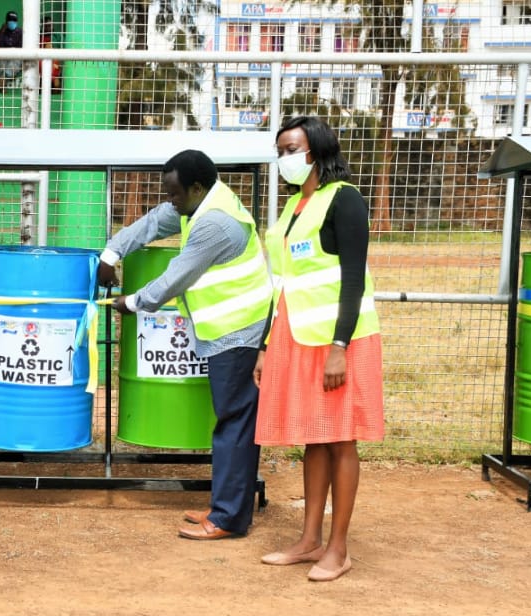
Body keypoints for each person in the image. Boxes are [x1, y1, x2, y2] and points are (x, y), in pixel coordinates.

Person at [97, 150, 272, 540]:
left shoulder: (217, 224)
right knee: (232, 423)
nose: (170, 201)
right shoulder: (201, 202)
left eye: (174, 194)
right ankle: (226, 505)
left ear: (196, 188)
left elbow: (177, 276)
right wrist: (112, 252)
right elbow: (153, 223)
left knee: (235, 425)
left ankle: (228, 518)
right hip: (226, 333)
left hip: (239, 333)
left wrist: (132, 302)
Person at [254, 115, 385, 582]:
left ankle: (339, 547)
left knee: (340, 437)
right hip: (296, 338)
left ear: (318, 150)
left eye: (293, 148)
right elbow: (282, 284)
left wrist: (339, 347)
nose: (285, 158)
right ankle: (309, 539)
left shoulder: (344, 199)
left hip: (338, 339)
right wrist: (267, 346)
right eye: (281, 150)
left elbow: (352, 279)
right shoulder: (293, 208)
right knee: (314, 435)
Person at [0, 10, 22, 92]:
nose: (11, 22)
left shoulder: (21, 32)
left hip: (16, 56)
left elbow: (20, 48)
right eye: (10, 20)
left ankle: (2, 80)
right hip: (4, 55)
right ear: (6, 21)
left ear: (17, 21)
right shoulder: (1, 32)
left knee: (14, 63)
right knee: (1, 61)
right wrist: (2, 32)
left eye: (14, 20)